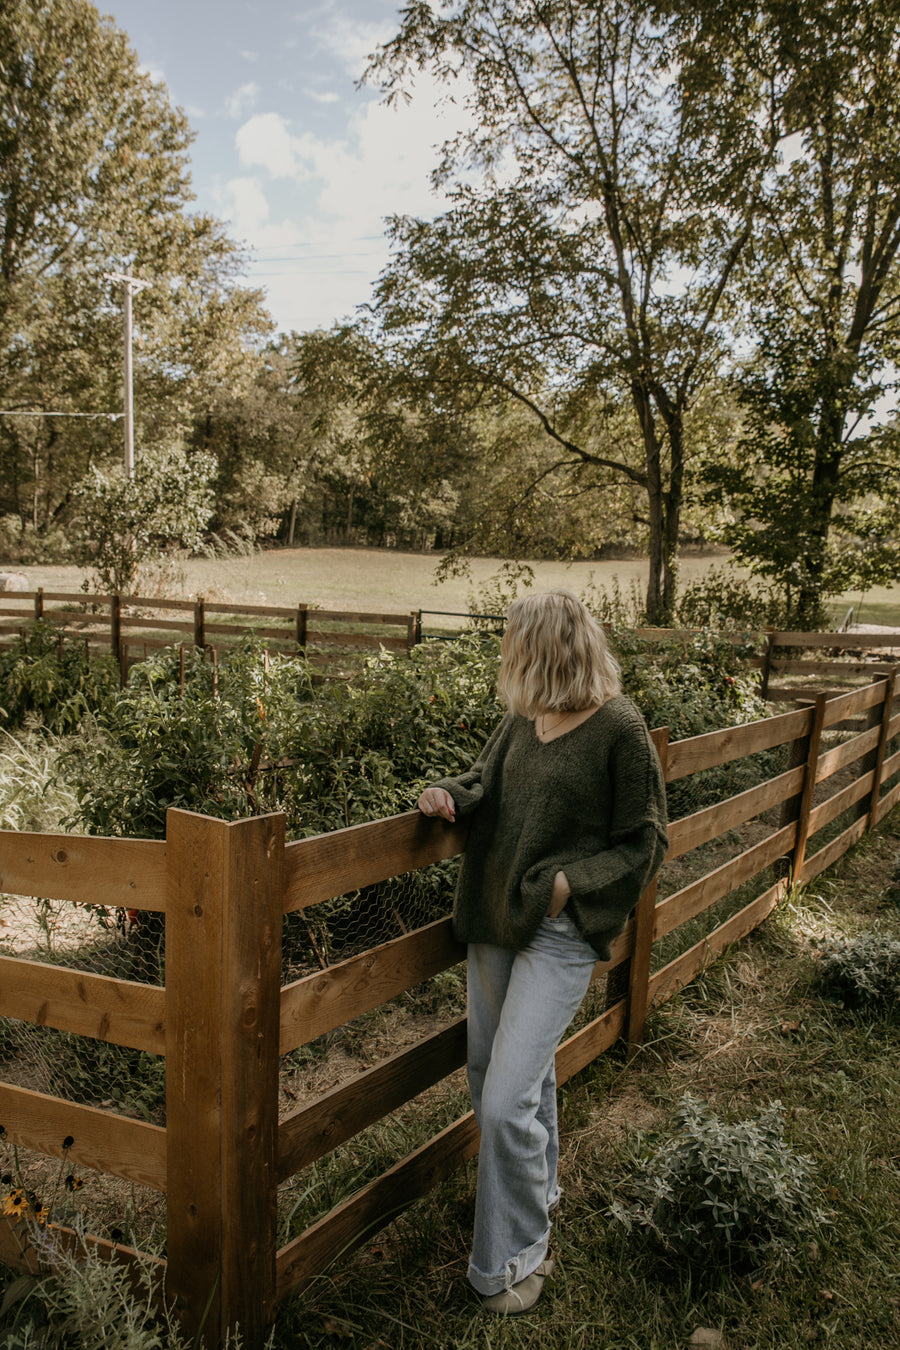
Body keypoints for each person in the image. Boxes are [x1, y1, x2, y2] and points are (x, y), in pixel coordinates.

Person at [417, 589, 668, 1316]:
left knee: (503, 1102)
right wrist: (446, 796)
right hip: (495, 918)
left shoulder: (619, 727)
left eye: (513, 644)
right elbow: (483, 784)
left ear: (548, 647)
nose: (505, 656)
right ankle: (541, 1190)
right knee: (496, 1074)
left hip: (559, 932)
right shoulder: (524, 719)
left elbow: (646, 840)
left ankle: (513, 1260)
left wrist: (569, 884)